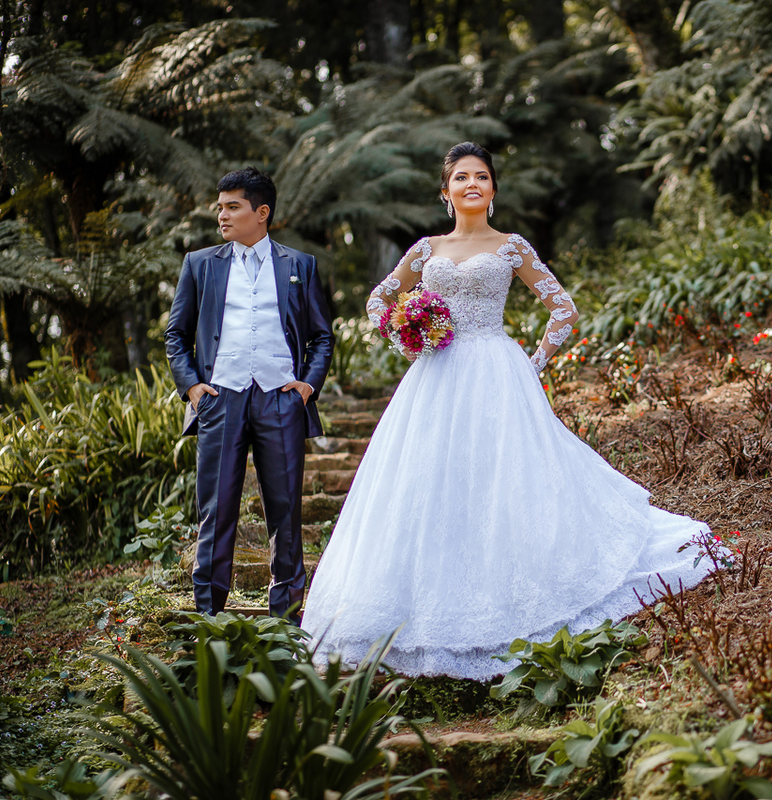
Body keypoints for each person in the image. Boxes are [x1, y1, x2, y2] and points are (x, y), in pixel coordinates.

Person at [302, 142, 714, 680]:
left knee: (506, 477)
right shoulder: (426, 250)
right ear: (446, 192)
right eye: (461, 178)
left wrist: (533, 362)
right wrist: (408, 337)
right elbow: (379, 300)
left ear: (493, 190)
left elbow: (562, 308)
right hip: (435, 374)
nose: (472, 184)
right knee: (431, 483)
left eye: (482, 177)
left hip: (497, 368)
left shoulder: (512, 246)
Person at [165, 167, 334, 623]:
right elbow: (175, 335)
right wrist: (194, 388)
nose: (222, 215)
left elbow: (321, 336)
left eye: (232, 206)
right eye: (219, 207)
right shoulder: (200, 265)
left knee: (286, 512)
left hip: (281, 401)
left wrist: (306, 386)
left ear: (262, 213)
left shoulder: (300, 265)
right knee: (215, 512)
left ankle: (287, 620)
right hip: (221, 399)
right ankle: (208, 619)